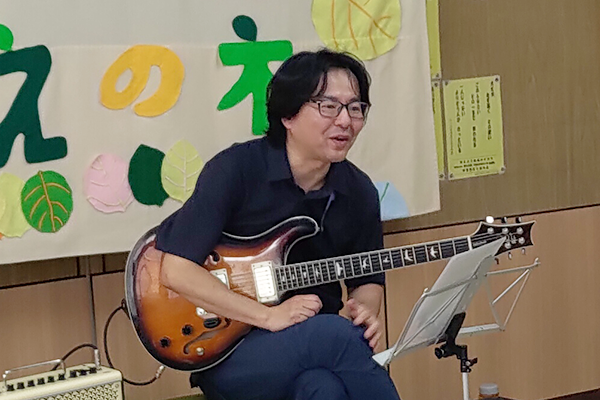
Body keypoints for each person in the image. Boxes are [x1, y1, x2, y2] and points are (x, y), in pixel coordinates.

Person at [155, 49, 401, 400]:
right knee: (333, 335)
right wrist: (268, 316)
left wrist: (363, 311)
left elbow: (367, 280)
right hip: (231, 351)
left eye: (355, 107)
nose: (345, 121)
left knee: (324, 389)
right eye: (329, 106)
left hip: (314, 340)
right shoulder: (235, 170)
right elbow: (175, 270)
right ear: (288, 114)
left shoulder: (358, 191)